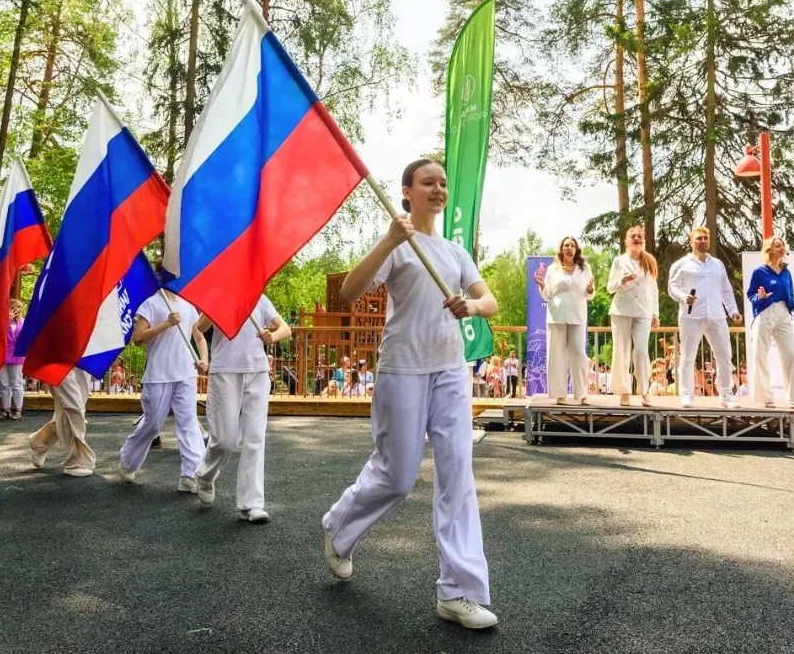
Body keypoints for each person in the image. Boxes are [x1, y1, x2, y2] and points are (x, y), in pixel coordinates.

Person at [321, 158, 500, 629]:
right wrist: (388, 241)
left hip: (450, 370)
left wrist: (471, 305)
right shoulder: (397, 244)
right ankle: (339, 527)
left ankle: (458, 592)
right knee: (398, 476)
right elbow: (349, 293)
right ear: (407, 192)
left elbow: (490, 301)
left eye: (443, 183)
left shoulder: (455, 252)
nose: (438, 189)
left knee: (457, 475)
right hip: (403, 368)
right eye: (428, 183)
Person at [194, 295, 291, 523]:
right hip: (225, 371)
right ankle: (205, 475)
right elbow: (199, 327)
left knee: (255, 438)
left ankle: (252, 503)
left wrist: (273, 335)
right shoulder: (219, 296)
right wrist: (217, 304)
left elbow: (285, 328)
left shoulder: (260, 298)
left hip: (257, 371)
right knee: (226, 440)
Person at [117, 289, 209, 493]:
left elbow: (200, 337)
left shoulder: (188, 305)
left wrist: (204, 359)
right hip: (159, 374)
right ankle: (128, 461)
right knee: (152, 424)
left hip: (186, 373)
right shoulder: (150, 304)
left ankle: (191, 475)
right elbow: (138, 338)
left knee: (189, 424)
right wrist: (166, 323)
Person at [668, 226, 743, 409]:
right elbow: (672, 287)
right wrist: (684, 297)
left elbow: (726, 289)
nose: (702, 241)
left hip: (717, 315)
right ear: (691, 241)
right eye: (699, 238)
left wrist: (733, 310)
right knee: (688, 357)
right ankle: (687, 394)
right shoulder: (681, 264)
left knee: (724, 356)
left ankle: (726, 394)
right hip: (691, 316)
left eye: (705, 238)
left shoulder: (717, 264)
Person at [746, 237, 794, 408]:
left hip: (783, 313)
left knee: (791, 354)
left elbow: (790, 295)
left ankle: (793, 398)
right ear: (769, 250)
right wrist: (760, 297)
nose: (782, 248)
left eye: (783, 246)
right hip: (765, 312)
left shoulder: (787, 272)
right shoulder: (759, 271)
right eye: (777, 246)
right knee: (760, 354)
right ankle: (765, 396)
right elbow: (751, 294)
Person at [534, 236, 595, 405]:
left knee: (579, 354)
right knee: (556, 355)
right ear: (561, 249)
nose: (569, 248)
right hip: (557, 316)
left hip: (577, 315)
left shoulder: (585, 268)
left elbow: (589, 294)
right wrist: (541, 284)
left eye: (572, 246)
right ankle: (560, 394)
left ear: (576, 250)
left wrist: (591, 289)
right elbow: (547, 294)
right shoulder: (553, 269)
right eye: (566, 245)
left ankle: (582, 394)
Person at [607, 226, 660, 406]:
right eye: (633, 236)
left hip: (644, 311)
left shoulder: (649, 261)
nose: (636, 238)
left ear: (643, 240)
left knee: (641, 350)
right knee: (621, 350)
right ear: (627, 241)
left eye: (639, 236)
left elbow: (653, 289)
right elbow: (610, 287)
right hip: (621, 310)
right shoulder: (619, 261)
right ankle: (623, 391)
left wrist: (655, 313)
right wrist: (622, 281)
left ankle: (644, 390)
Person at [28, 369, 95, 477]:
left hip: (81, 363)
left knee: (69, 412)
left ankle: (39, 443)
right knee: (73, 407)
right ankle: (76, 462)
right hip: (58, 361)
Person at [0, 299, 26, 421]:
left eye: (20, 307)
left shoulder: (23, 322)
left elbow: (24, 338)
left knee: (17, 383)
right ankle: (6, 409)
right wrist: (7, 320)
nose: (18, 310)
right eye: (15, 307)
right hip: (1, 356)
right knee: (4, 384)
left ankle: (18, 409)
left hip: (17, 356)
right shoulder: (1, 322)